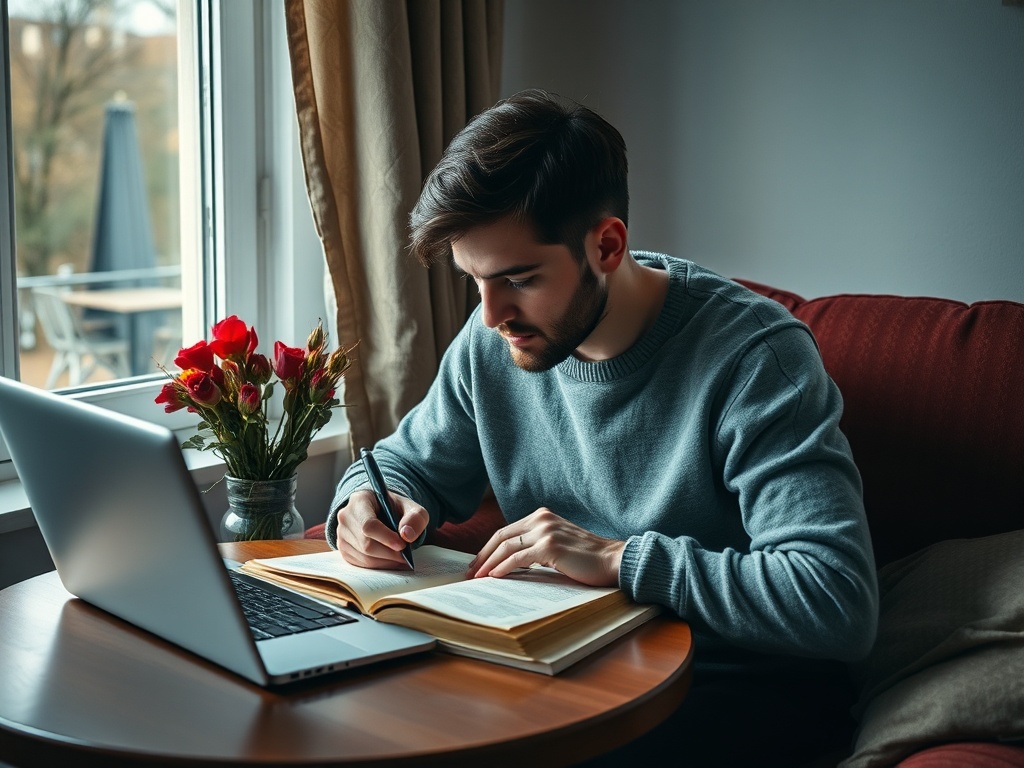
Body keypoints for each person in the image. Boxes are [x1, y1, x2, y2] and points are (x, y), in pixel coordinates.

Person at [326, 89, 879, 765]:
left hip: (731, 693)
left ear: (607, 244)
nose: (493, 314)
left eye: (519, 279)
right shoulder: (493, 340)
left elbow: (835, 599)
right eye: (475, 281)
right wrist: (363, 504)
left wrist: (621, 559)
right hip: (560, 669)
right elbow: (402, 464)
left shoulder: (755, 358)